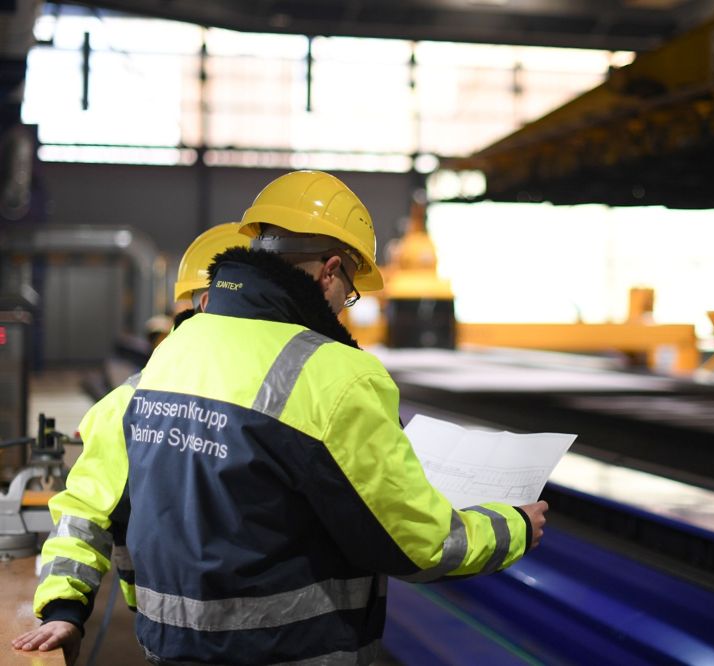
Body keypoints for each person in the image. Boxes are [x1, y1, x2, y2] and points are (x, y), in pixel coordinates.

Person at [15, 170, 547, 665]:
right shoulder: (338, 374)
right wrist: (512, 526)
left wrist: (66, 604)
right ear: (332, 269)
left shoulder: (177, 351)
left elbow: (94, 503)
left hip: (169, 646)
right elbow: (417, 543)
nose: (344, 306)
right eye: (351, 291)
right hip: (292, 650)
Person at [11, 222, 258, 663]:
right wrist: (64, 608)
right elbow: (85, 513)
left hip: (187, 642)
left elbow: (81, 514)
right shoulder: (127, 404)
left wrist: (65, 607)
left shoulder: (126, 400)